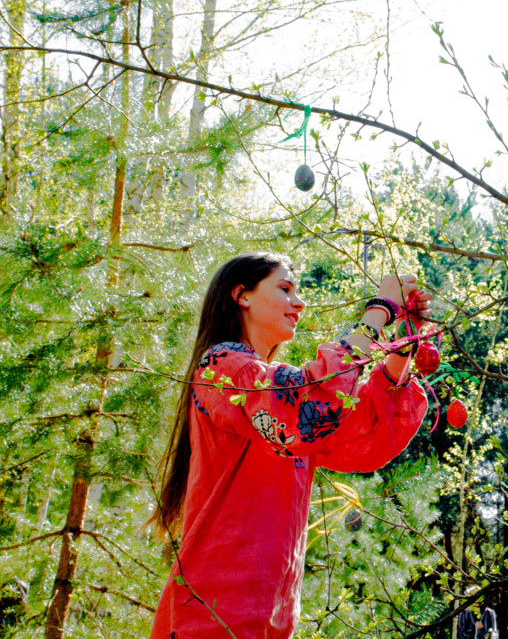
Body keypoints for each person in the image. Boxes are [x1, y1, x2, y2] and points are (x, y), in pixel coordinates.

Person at [148, 252, 432, 638]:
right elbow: (305, 408)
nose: (299, 303)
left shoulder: (278, 392)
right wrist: (379, 309)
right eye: (284, 289)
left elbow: (360, 428)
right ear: (242, 295)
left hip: (271, 619)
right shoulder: (221, 369)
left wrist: (404, 343)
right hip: (213, 612)